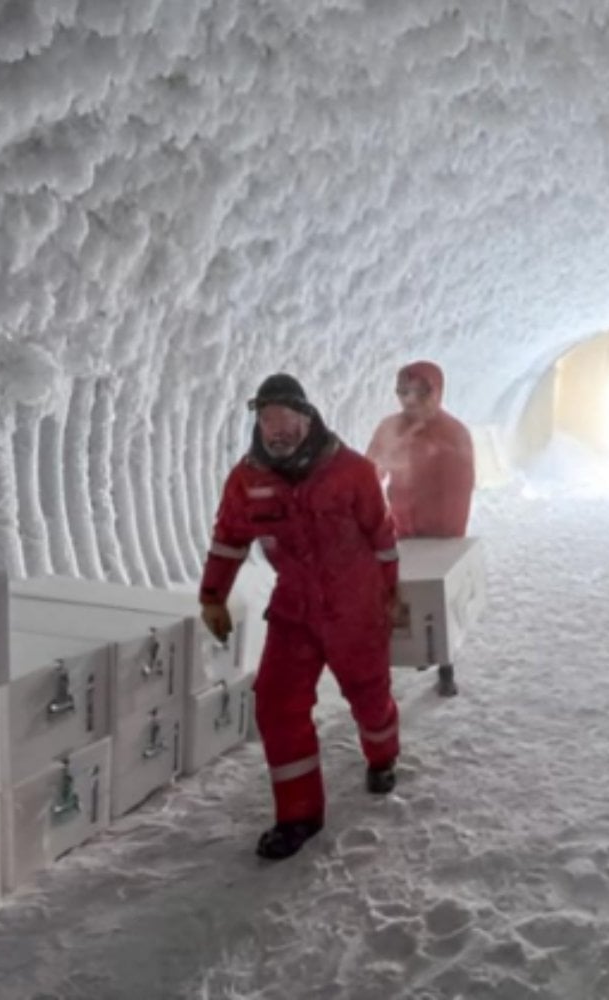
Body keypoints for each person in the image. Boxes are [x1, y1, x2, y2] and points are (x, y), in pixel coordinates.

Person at [199, 373, 402, 861]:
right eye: (268, 420)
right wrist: (213, 596)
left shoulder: (351, 470)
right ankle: (299, 815)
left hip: (354, 606)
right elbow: (229, 538)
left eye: (287, 419)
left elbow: (382, 533)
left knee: (368, 694)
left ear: (308, 419)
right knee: (275, 703)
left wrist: (390, 594)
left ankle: (382, 754)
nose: (278, 430)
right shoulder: (247, 480)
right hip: (295, 610)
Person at [365, 360, 476, 538]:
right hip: (402, 536)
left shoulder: (454, 434)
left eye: (422, 391)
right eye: (403, 391)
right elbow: (365, 481)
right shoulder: (391, 427)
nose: (410, 399)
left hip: (442, 538)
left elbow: (457, 501)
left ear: (438, 391)